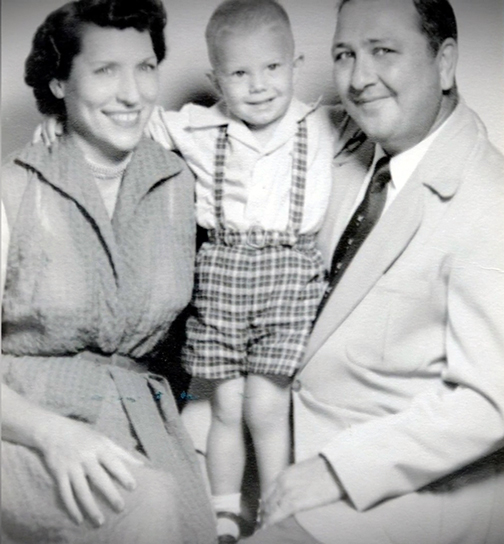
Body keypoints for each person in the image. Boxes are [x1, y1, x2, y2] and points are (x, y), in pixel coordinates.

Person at [245, 0, 504, 543]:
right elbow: (232, 127)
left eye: (383, 51)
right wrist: (74, 137)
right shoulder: (337, 142)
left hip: (395, 481)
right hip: (285, 425)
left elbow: (489, 401)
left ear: (445, 62)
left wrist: (336, 470)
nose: (359, 79)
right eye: (344, 55)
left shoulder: (490, 199)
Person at [1, 1, 216, 543]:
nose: (133, 94)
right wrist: (54, 436)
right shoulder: (14, 188)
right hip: (22, 425)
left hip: (143, 422)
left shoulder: (179, 181)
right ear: (57, 83)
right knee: (147, 503)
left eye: (145, 68)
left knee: (187, 520)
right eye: (105, 70)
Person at [145, 1, 345, 541]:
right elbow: (128, 118)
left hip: (288, 280)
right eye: (239, 73)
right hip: (223, 277)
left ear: (296, 64)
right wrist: (57, 124)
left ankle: (279, 505)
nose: (258, 86)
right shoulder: (198, 126)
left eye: (272, 68)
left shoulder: (321, 123)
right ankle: (225, 510)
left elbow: (392, 128)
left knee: (266, 402)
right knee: (226, 404)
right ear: (215, 79)